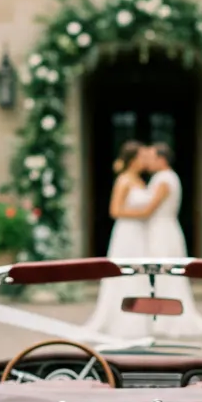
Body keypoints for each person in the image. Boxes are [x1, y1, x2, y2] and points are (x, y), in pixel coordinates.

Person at [119, 142, 202, 338]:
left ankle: (170, 321)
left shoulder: (163, 179)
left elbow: (149, 209)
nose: (148, 162)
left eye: (151, 158)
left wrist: (126, 217)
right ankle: (162, 318)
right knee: (161, 277)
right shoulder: (164, 177)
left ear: (161, 159)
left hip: (162, 232)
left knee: (166, 276)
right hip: (160, 230)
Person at [86, 139, 153, 338]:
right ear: (133, 160)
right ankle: (122, 321)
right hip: (127, 233)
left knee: (139, 275)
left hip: (140, 234)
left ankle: (140, 319)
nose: (145, 161)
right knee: (125, 274)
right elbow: (115, 210)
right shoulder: (123, 180)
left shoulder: (140, 180)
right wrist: (142, 215)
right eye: (141, 157)